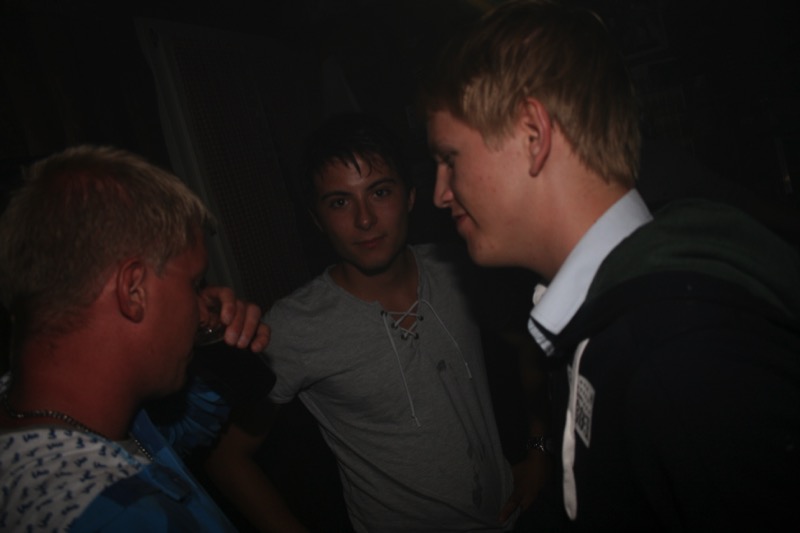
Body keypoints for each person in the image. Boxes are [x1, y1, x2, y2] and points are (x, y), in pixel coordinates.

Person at [422, 0, 800, 531]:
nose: (440, 193)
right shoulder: (607, 316)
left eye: (450, 159)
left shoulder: (682, 352)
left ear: (533, 134)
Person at [204, 113, 549, 532]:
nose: (364, 219)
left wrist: (539, 450)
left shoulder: (457, 268)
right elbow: (227, 458)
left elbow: (532, 344)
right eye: (339, 202)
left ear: (410, 196)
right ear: (317, 218)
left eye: (380, 192)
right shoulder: (295, 326)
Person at [0, 145, 269, 532]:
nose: (201, 305)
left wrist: (215, 342)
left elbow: (168, 443)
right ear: (133, 291)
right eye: (194, 283)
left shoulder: (42, 407)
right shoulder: (123, 518)